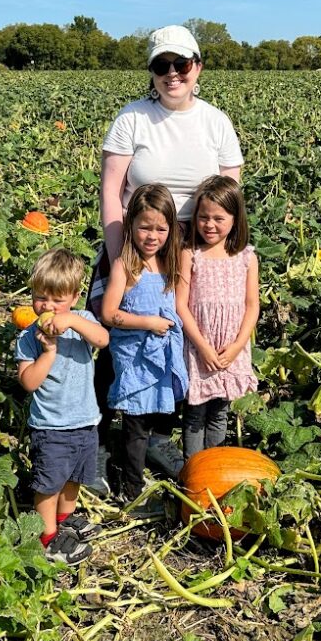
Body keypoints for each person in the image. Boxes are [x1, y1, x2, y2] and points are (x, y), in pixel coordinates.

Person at [90, 25, 244, 488]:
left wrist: (220, 256)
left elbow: (230, 196)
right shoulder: (132, 119)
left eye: (181, 64)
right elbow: (112, 191)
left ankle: (155, 434)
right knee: (109, 339)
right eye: (162, 66)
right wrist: (124, 259)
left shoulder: (216, 122)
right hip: (136, 240)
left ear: (198, 67)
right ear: (152, 72)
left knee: (175, 338)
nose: (172, 74)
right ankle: (98, 443)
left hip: (194, 246)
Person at [16, 249, 110, 565]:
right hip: (51, 427)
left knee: (75, 477)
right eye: (41, 298)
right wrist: (48, 353)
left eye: (58, 300)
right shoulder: (30, 337)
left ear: (74, 297)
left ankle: (65, 519)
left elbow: (102, 340)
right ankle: (46, 536)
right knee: (49, 483)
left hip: (85, 420)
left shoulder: (81, 321)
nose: (48, 307)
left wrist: (72, 320)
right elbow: (29, 382)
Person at [100, 183, 189, 502]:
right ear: (131, 225)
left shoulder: (171, 263)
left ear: (171, 229)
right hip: (135, 359)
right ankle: (131, 491)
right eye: (144, 227)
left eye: (160, 229)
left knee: (158, 418)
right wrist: (147, 323)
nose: (152, 235)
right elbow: (109, 314)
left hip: (162, 356)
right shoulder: (126, 265)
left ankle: (134, 471)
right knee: (136, 426)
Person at [176, 176, 260, 459]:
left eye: (218, 218)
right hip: (201, 346)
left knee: (219, 413)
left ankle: (213, 468)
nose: (209, 225)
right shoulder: (190, 254)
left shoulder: (247, 257)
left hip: (230, 348)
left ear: (235, 219)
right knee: (195, 413)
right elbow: (181, 305)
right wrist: (201, 346)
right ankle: (193, 471)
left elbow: (252, 306)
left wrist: (237, 346)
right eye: (203, 217)